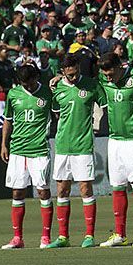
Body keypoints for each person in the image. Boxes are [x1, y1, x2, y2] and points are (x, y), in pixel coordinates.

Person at [45, 54, 107, 249]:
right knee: (62, 190)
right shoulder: (57, 88)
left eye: (76, 73)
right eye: (69, 75)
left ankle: (89, 235)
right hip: (63, 145)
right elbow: (56, 113)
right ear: (63, 72)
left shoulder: (92, 85)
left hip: (83, 145)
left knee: (85, 189)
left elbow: (106, 107)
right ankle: (63, 237)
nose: (73, 77)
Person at [97, 53, 133, 248]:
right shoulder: (103, 79)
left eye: (111, 73)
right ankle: (119, 233)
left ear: (120, 66)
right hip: (115, 141)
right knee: (118, 187)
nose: (108, 78)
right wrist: (57, 78)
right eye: (106, 75)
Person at [0, 64, 54, 249]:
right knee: (17, 192)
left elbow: (60, 115)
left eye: (30, 83)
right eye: (24, 84)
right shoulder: (13, 94)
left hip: (39, 149)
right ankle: (17, 238)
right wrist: (4, 144)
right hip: (18, 149)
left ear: (36, 78)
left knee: (43, 191)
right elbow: (8, 120)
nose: (28, 87)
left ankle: (45, 237)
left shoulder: (47, 93)